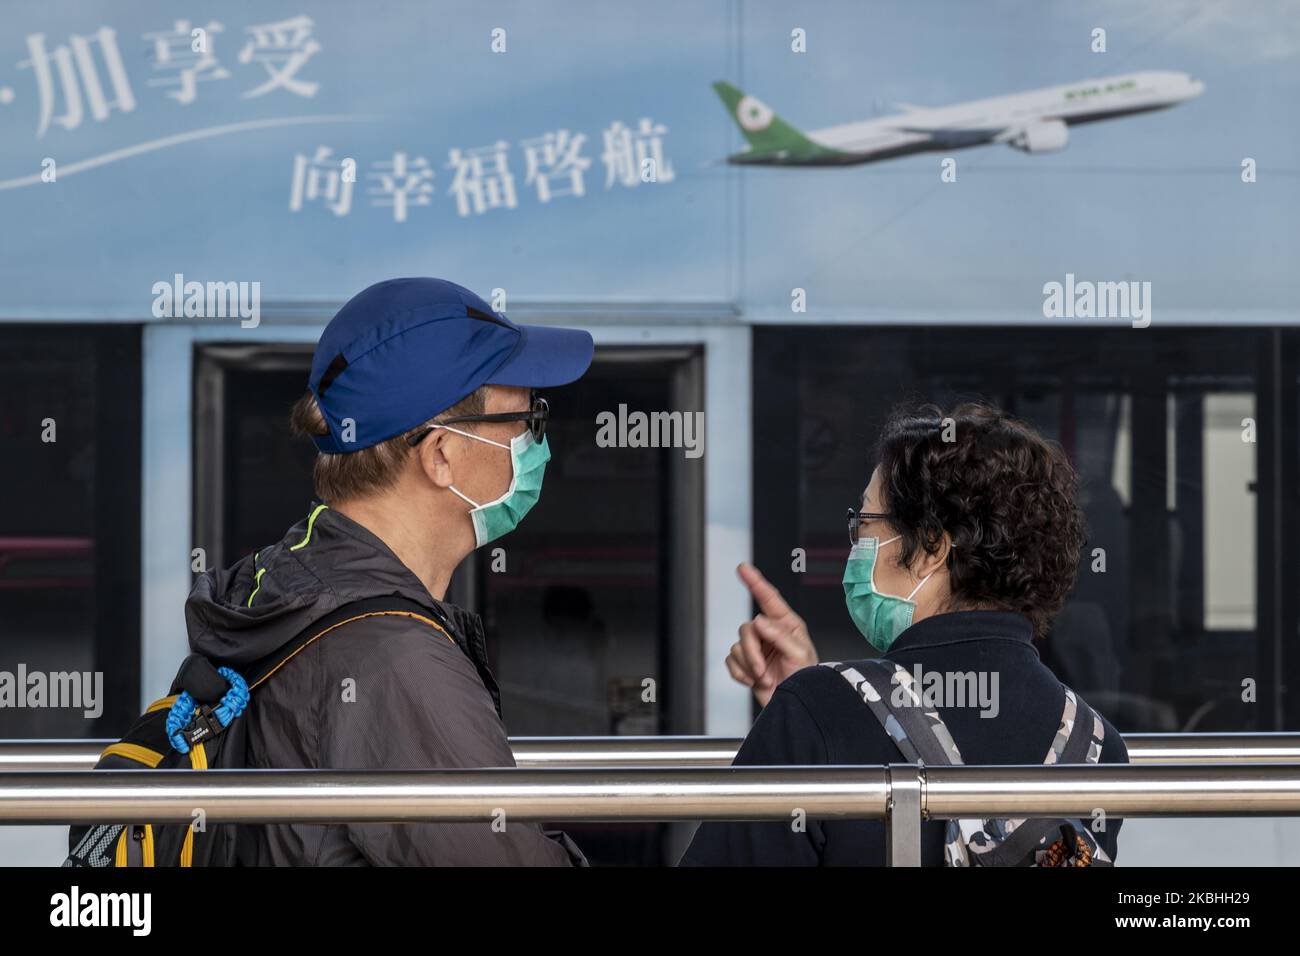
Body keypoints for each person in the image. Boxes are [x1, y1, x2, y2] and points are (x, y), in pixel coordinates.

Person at [185, 277, 593, 865]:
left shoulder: (278, 590)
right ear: (441, 455)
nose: (535, 442)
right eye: (526, 418)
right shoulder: (395, 662)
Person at [680, 402, 1128, 866]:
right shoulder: (1097, 746)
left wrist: (812, 706)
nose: (855, 546)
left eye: (864, 524)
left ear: (933, 546)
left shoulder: (814, 713)